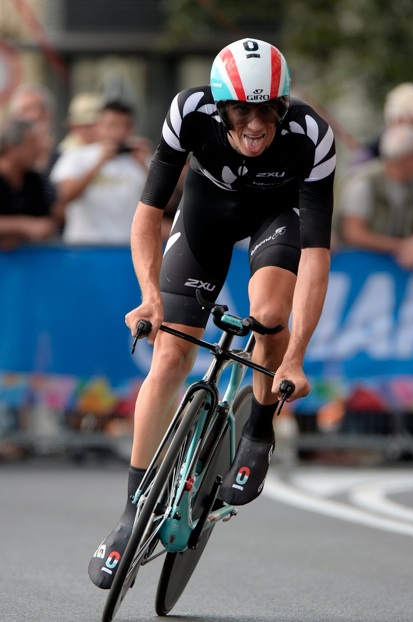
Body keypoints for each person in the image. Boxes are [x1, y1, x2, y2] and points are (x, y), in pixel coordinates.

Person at [88, 38, 336, 589]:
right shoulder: (189, 111)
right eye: (241, 110)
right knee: (170, 354)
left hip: (279, 213)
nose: (254, 123)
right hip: (206, 209)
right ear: (221, 108)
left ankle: (258, 431)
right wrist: (150, 296)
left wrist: (294, 357)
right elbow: (149, 211)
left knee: (270, 312)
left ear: (283, 106)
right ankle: (133, 512)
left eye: (266, 108)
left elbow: (317, 257)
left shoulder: (311, 137)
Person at [50, 100, 151, 244]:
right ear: (99, 126)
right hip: (85, 248)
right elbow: (66, 195)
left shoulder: (142, 159)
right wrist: (98, 164)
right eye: (113, 125)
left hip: (129, 248)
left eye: (126, 126)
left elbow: (168, 203)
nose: (120, 132)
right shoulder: (76, 156)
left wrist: (145, 166)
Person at [338, 123, 413, 269]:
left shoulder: (412, 187)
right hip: (356, 266)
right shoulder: (365, 182)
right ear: (407, 158)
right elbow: (353, 233)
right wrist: (401, 246)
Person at [0, 118, 58, 251]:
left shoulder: (34, 180)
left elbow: (45, 225)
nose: (38, 150)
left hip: (29, 265)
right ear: (10, 147)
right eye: (31, 144)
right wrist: (23, 225)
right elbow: (33, 226)